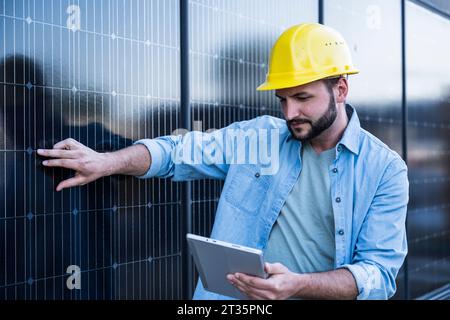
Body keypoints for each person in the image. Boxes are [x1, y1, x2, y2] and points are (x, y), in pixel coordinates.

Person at [37, 23, 409, 300]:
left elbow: (378, 274)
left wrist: (298, 284)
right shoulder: (259, 138)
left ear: (340, 89)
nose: (290, 112)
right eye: (282, 99)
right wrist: (106, 162)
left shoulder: (385, 171)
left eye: (302, 97)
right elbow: (176, 151)